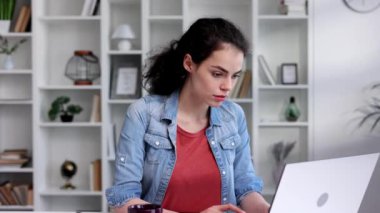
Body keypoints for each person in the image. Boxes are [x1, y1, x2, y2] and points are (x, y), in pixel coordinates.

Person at [106, 17, 270, 213]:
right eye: (217, 74)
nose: (228, 86)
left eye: (234, 76)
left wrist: (268, 209)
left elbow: (245, 187)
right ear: (189, 63)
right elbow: (123, 204)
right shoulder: (143, 114)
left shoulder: (234, 116)